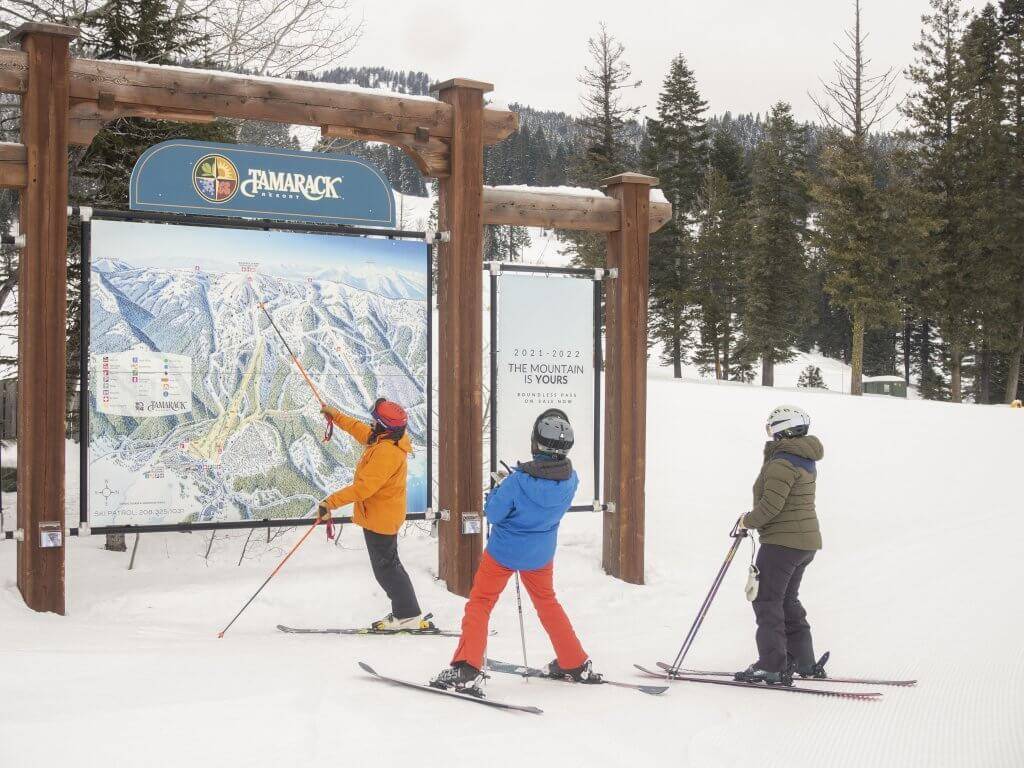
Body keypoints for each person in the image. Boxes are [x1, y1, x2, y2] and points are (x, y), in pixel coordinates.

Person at [430, 409, 598, 696]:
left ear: (536, 442)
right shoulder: (571, 480)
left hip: (504, 552)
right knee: (547, 603)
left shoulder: (517, 481)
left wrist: (497, 488)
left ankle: (467, 669)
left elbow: (493, 514)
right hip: (540, 554)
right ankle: (574, 661)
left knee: (480, 603)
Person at [317, 397, 429, 632]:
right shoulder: (386, 440)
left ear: (384, 426)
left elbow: (363, 488)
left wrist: (330, 503)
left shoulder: (386, 453)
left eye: (375, 420)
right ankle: (406, 611)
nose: (371, 423)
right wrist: (335, 415)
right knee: (389, 566)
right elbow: (360, 430)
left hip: (381, 518)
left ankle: (407, 615)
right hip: (381, 514)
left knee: (387, 569)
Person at [735, 404, 825, 686]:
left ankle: (771, 666)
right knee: (787, 600)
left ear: (781, 429)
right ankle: (803, 661)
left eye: (771, 427)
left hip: (782, 543)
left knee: (767, 602)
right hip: (804, 542)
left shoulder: (782, 464)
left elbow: (772, 506)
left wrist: (746, 521)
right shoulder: (804, 459)